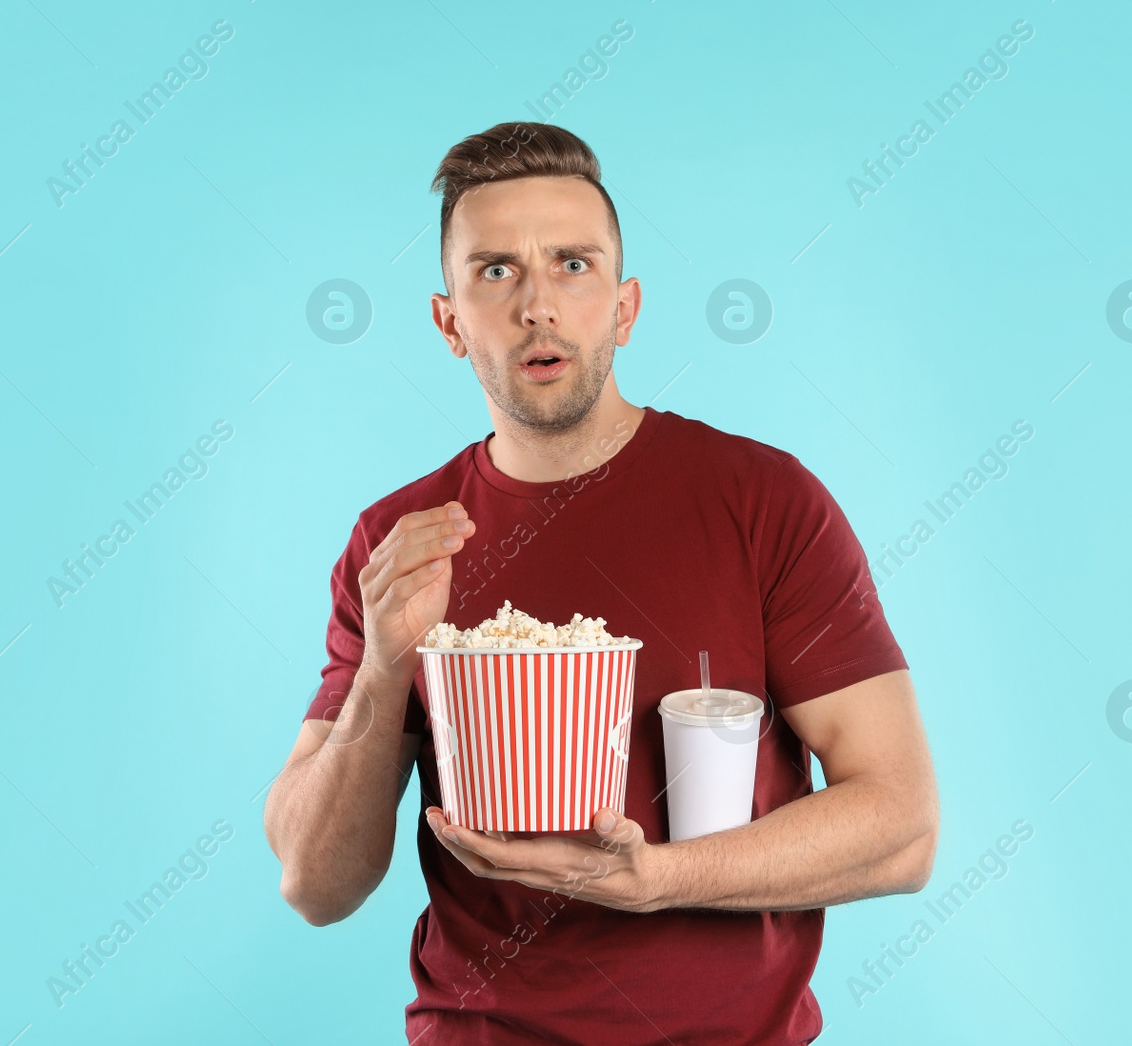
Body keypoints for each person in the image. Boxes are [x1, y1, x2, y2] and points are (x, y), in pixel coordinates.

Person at [264, 121, 939, 1044]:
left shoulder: (763, 502)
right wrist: (386, 667)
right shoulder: (398, 542)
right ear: (449, 321)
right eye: (495, 271)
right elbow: (314, 881)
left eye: (572, 265)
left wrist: (654, 880)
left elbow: (902, 824)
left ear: (624, 308)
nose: (538, 304)